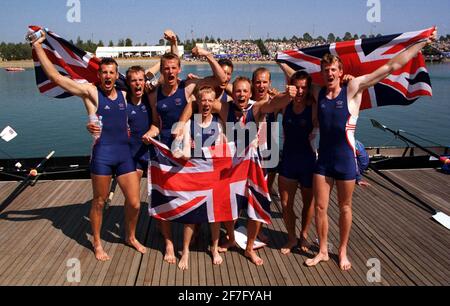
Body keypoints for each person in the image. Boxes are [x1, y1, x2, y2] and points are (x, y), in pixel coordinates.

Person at [305, 29, 437, 271]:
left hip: (345, 159)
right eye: (326, 70)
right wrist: (282, 59)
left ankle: (342, 250)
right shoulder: (318, 92)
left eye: (334, 69)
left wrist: (421, 43)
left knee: (345, 207)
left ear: (340, 72)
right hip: (323, 160)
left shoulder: (354, 87)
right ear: (322, 73)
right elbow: (297, 77)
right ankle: (323, 250)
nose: (330, 73)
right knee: (321, 207)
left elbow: (389, 66)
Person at [32, 31, 146, 261]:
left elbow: (151, 77)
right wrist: (37, 47)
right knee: (99, 201)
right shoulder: (91, 92)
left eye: (111, 73)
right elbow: (57, 78)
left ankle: (130, 236)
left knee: (134, 202)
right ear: (99, 74)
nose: (107, 76)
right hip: (103, 155)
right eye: (103, 72)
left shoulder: (126, 94)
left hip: (125, 155)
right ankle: (96, 241)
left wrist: (174, 49)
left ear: (116, 76)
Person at [187, 76, 296, 265]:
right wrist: (182, 126)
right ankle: (230, 237)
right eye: (238, 91)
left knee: (254, 208)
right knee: (230, 206)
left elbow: (274, 103)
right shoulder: (226, 108)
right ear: (233, 93)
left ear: (250, 93)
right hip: (231, 167)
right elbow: (196, 103)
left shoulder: (257, 108)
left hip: (253, 166)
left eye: (245, 91)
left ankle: (249, 247)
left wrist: (288, 95)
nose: (241, 94)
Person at [142, 46, 227, 264]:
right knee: (163, 198)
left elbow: (220, 79)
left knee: (192, 194)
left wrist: (207, 55)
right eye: (166, 68)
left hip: (189, 150)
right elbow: (155, 123)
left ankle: (195, 230)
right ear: (161, 70)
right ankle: (169, 243)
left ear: (179, 69)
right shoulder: (154, 95)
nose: (170, 72)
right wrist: (149, 134)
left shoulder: (189, 87)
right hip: (165, 151)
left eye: (173, 68)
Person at [262, 70, 318, 255]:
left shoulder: (314, 106)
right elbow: (267, 106)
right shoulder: (285, 105)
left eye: (304, 87)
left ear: (309, 89)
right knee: (286, 203)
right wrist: (284, 94)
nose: (300, 91)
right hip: (288, 160)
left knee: (307, 203)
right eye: (297, 87)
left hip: (308, 161)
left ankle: (303, 235)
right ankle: (291, 236)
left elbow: (322, 90)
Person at [172, 86, 227, 270]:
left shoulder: (219, 125)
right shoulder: (189, 124)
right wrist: (183, 153)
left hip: (212, 176)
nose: (206, 104)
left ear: (214, 103)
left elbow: (224, 150)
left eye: (210, 101)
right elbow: (176, 147)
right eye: (203, 100)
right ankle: (186, 250)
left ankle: (215, 247)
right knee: (190, 216)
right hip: (193, 176)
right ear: (198, 102)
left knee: (214, 216)